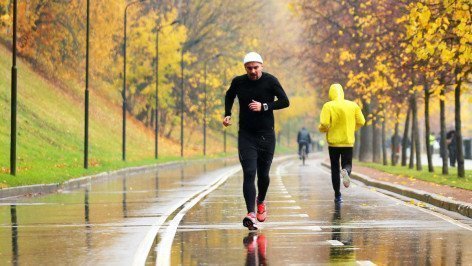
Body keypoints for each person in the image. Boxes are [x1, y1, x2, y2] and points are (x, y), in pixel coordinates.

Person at [223, 52, 290, 230]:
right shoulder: (239, 82)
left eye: (255, 67)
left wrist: (264, 106)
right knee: (249, 172)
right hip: (246, 135)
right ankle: (250, 214)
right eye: (249, 68)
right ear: (245, 68)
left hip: (266, 135)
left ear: (261, 66)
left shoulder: (270, 81)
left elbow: (285, 101)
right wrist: (228, 113)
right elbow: (229, 95)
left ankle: (261, 200)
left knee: (264, 175)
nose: (252, 71)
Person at [318, 83, 365, 203]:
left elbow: (324, 123)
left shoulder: (328, 106)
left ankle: (337, 195)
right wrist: (351, 128)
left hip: (333, 143)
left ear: (331, 93)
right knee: (347, 163)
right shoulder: (353, 105)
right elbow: (362, 121)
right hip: (348, 142)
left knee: (334, 168)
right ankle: (346, 172)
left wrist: (323, 129)